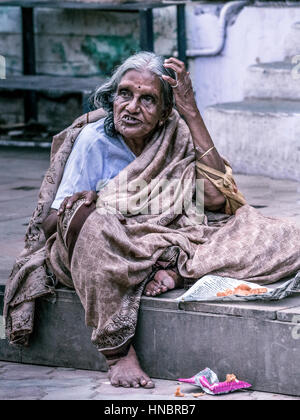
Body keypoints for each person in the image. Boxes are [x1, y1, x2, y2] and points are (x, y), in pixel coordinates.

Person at [4, 52, 300, 390]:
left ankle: (171, 270)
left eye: (147, 100)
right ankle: (118, 354)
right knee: (94, 225)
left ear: (163, 114)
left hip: (169, 238)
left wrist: (191, 112)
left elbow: (218, 199)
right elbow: (51, 224)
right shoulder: (93, 142)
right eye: (125, 94)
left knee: (285, 237)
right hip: (111, 248)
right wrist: (93, 206)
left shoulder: (175, 133)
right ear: (111, 97)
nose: (131, 107)